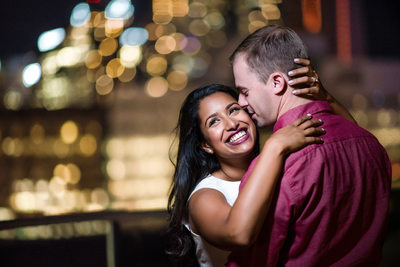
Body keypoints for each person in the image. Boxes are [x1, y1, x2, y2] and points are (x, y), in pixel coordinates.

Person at [226, 25, 392, 267]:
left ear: (276, 83)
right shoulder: (371, 145)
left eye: (244, 91)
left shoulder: (278, 163)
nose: (241, 102)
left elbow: (257, 258)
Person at [167, 83, 326, 267]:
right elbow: (238, 234)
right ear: (206, 145)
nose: (232, 124)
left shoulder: (281, 165)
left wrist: (327, 98)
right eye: (214, 121)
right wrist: (274, 146)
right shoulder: (204, 197)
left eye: (234, 110)